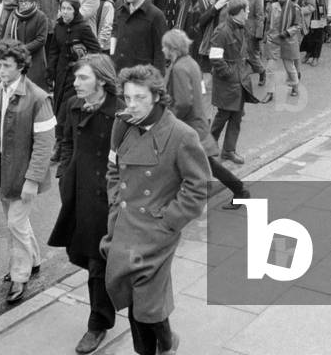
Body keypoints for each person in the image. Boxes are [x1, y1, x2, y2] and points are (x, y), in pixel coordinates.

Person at [101, 64, 210, 355]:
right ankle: (167, 342)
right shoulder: (122, 124)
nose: (132, 105)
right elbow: (113, 168)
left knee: (145, 304)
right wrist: (115, 204)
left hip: (156, 231)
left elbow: (198, 186)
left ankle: (152, 349)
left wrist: (169, 221)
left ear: (157, 97)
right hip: (124, 224)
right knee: (135, 297)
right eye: (128, 98)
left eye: (140, 98)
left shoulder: (181, 135)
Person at [48, 55, 122, 353]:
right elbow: (65, 141)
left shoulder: (120, 112)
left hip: (108, 196)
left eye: (83, 78)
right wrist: (65, 174)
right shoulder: (73, 106)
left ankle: (98, 323)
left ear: (101, 80)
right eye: (76, 78)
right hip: (78, 191)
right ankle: (108, 303)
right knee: (84, 255)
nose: (75, 84)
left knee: (98, 261)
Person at [0, 39, 54, 305]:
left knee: (15, 223)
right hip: (2, 172)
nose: (0, 70)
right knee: (16, 221)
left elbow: (44, 146)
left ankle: (19, 276)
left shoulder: (39, 98)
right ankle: (33, 260)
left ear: (21, 67)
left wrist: (32, 181)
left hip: (24, 174)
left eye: (6, 65)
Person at [161, 30, 249, 210]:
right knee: (199, 164)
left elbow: (184, 102)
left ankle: (240, 191)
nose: (163, 50)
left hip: (188, 126)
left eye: (165, 47)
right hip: (197, 122)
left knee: (204, 165)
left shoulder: (179, 68)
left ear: (172, 48)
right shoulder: (191, 63)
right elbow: (199, 92)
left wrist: (170, 120)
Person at [208, 0, 270, 164]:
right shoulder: (222, 31)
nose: (248, 12)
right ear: (240, 12)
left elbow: (249, 53)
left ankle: (228, 150)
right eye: (247, 10)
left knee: (236, 116)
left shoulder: (243, 28)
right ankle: (207, 146)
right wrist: (229, 73)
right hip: (228, 81)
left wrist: (260, 69)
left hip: (240, 80)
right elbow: (215, 57)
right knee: (223, 115)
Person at [46, 0, 102, 114]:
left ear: (75, 11)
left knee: (71, 103)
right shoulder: (58, 27)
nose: (65, 12)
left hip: (76, 74)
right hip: (61, 73)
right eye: (63, 8)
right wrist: (51, 70)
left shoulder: (83, 28)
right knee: (59, 102)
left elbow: (95, 50)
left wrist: (82, 62)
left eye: (69, 9)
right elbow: (53, 51)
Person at [111, 0, 167, 73]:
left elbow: (160, 49)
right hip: (119, 70)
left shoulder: (156, 15)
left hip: (141, 74)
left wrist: (157, 76)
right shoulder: (120, 11)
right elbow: (115, 34)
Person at [264, 0, 303, 96]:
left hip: (288, 40)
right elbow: (268, 23)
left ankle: (295, 86)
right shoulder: (272, 6)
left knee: (289, 67)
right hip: (273, 40)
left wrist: (286, 33)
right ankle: (269, 92)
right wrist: (265, 36)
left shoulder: (295, 7)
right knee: (270, 68)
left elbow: (298, 25)